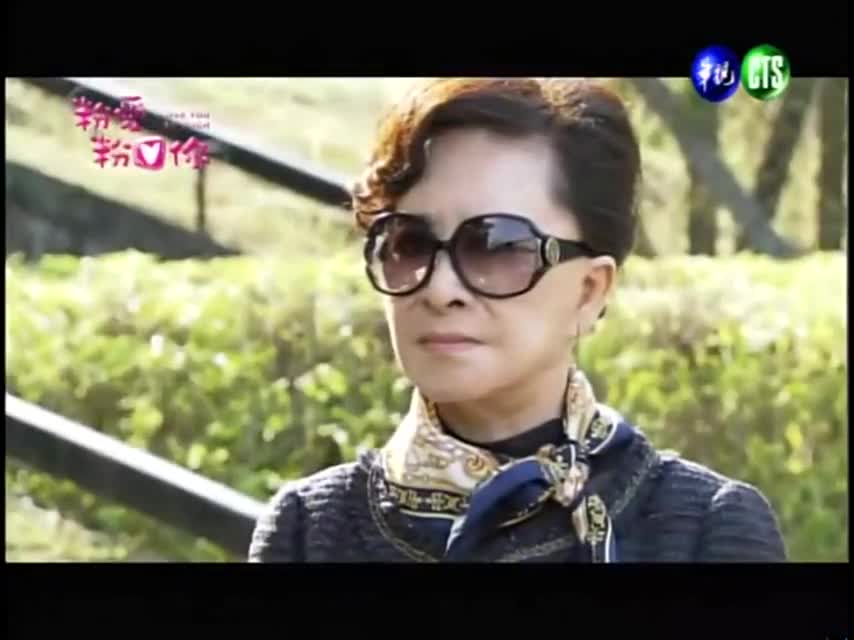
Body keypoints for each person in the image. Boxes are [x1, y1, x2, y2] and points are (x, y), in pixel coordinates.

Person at [248, 77, 787, 562]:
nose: (440, 289)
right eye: (408, 243)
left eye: (497, 245)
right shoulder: (309, 529)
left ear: (589, 291)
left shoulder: (704, 530)